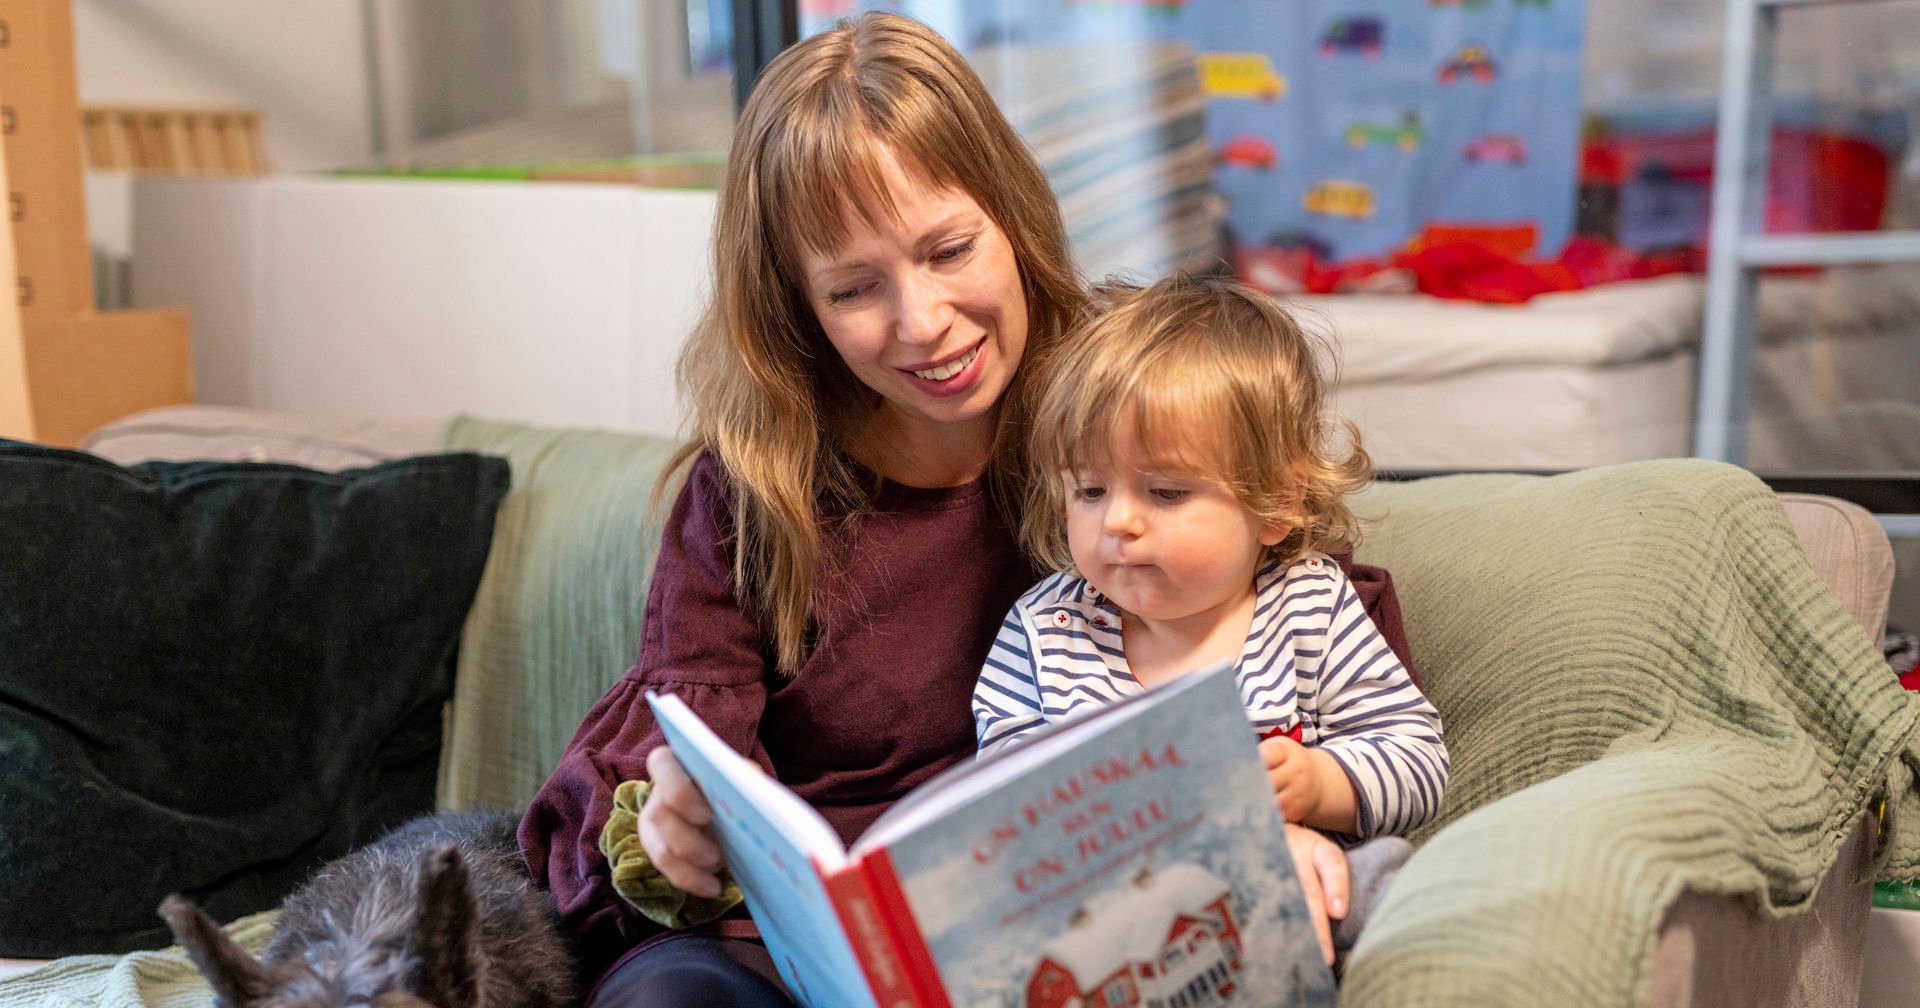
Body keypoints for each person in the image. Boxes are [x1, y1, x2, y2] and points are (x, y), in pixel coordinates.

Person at [518, 14, 1404, 1006]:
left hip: (1061, 923)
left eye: (948, 250)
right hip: (774, 948)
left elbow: (1295, 617)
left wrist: (1280, 813)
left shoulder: (1115, 404)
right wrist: (672, 809)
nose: (922, 322)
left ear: (1013, 217)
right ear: (797, 307)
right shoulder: (755, 486)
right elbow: (689, 720)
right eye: (855, 288)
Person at [973, 273, 1448, 944]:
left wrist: (1318, 784)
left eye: (1165, 492)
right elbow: (1000, 806)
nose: (1119, 523)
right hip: (1114, 918)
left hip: (1287, 892)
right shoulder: (1045, 629)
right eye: (1089, 490)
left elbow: (1418, 760)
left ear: (1277, 504)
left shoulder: (1308, 606)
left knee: (1388, 879)